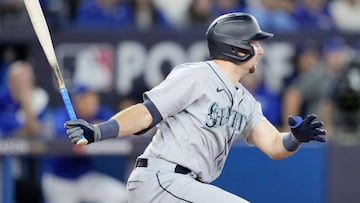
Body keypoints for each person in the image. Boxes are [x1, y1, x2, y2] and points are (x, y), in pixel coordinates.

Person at [64, 12, 327, 203]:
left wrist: (294, 138)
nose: (260, 50)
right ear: (237, 48)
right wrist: (98, 132)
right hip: (161, 180)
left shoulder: (246, 101)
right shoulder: (197, 75)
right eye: (254, 43)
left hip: (184, 187)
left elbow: (272, 145)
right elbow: (146, 113)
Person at [42, 84, 127, 203]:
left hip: (84, 177)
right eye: (86, 99)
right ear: (77, 102)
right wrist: (88, 130)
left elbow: (120, 128)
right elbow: (63, 138)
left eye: (93, 98)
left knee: (120, 195)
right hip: (60, 179)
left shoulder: (100, 113)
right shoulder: (64, 114)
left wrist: (97, 127)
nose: (92, 102)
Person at [0, 60, 49, 203]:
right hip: (5, 159)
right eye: (18, 80)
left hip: (24, 162)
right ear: (10, 81)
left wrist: (26, 102)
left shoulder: (38, 96)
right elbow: (10, 130)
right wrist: (24, 129)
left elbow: (34, 130)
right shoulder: (2, 97)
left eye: (26, 80)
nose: (22, 84)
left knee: (32, 193)